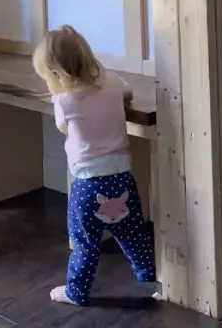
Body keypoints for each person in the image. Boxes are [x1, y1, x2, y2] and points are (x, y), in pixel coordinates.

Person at [32, 25, 155, 307]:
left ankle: (77, 291)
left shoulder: (64, 100)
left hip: (88, 186)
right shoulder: (111, 83)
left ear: (55, 75)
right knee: (134, 233)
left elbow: (63, 128)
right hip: (123, 182)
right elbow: (128, 92)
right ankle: (147, 273)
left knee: (86, 244)